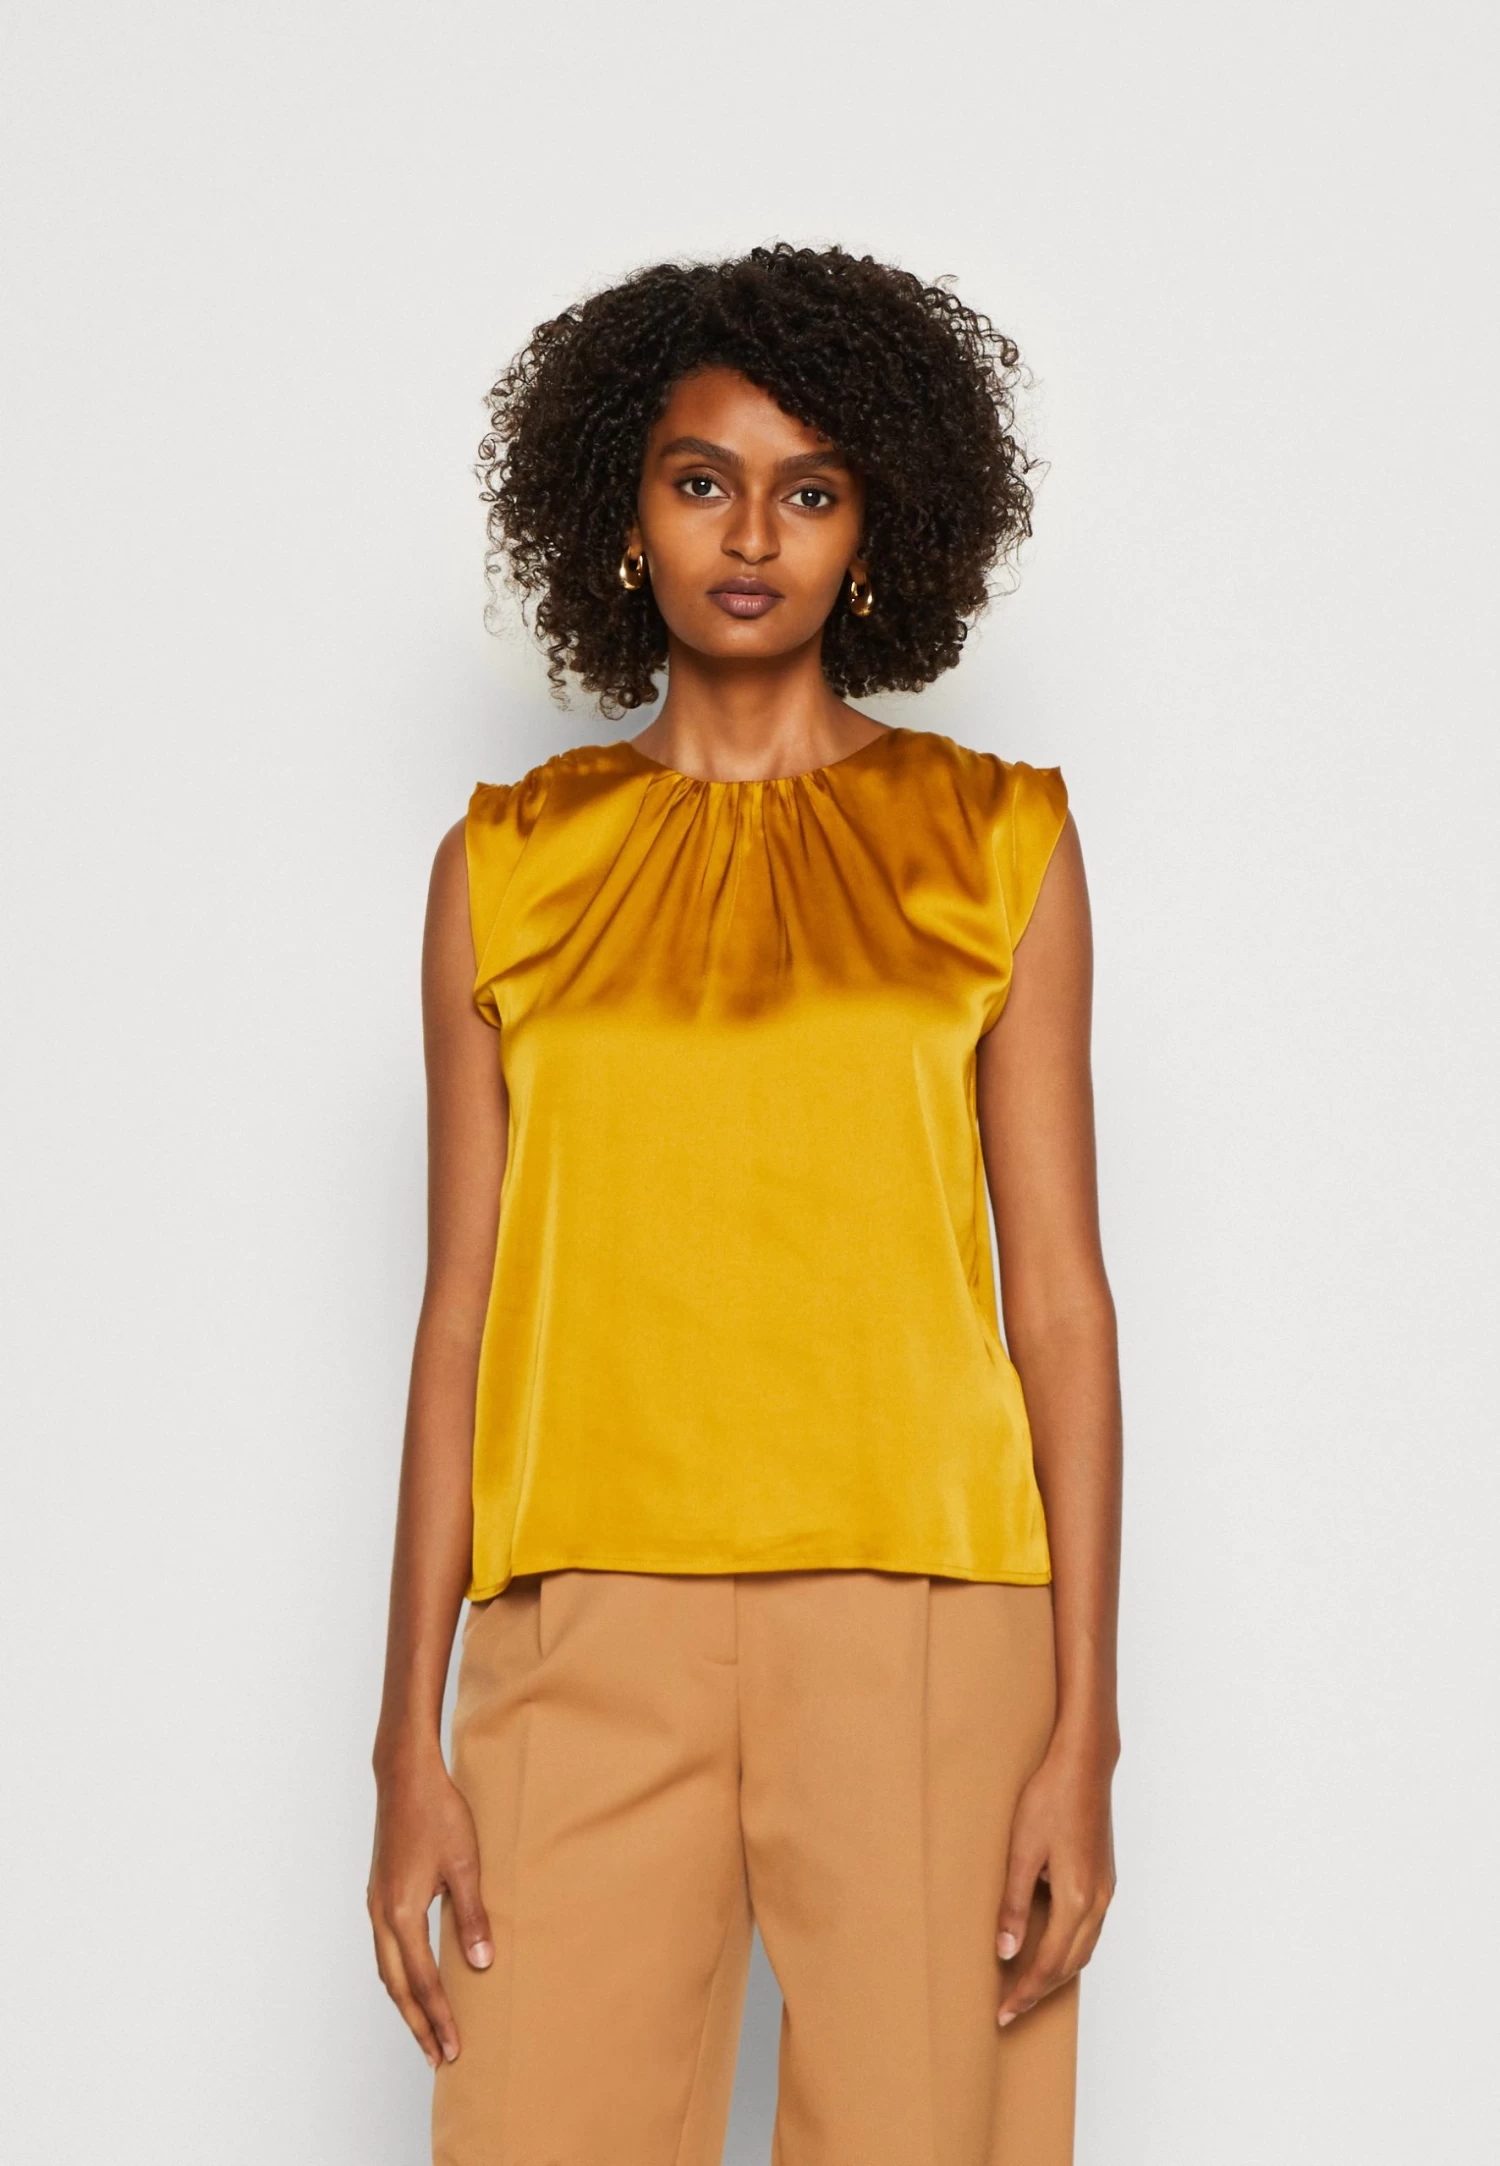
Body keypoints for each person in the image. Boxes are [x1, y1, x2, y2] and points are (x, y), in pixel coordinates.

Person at [368, 243, 1122, 2166]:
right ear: (624, 515)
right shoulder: (505, 868)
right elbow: (458, 1314)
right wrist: (401, 1741)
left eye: (811, 488)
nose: (753, 535)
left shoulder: (997, 843)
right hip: (581, 1622)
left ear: (875, 532)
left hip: (927, 1618)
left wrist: (1086, 1727)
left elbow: (1059, 1299)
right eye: (702, 479)